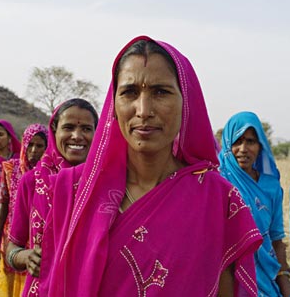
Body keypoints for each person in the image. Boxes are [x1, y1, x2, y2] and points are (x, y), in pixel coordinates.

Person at [46, 36, 263, 296]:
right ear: (113, 105)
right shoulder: (75, 190)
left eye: (161, 92)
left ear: (186, 103)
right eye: (129, 92)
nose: (143, 110)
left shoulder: (217, 199)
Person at [6, 98, 99, 296]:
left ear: (97, 134)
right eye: (68, 127)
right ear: (54, 131)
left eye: (86, 129)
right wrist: (26, 257)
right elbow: (12, 248)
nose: (77, 136)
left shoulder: (106, 182)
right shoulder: (32, 181)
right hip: (41, 290)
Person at [219, 111, 290, 296]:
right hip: (226, 283)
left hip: (266, 283)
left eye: (250, 141)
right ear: (227, 144)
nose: (243, 149)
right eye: (237, 141)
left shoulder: (271, 187)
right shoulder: (216, 184)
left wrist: (285, 285)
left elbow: (276, 240)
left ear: (260, 146)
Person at [0, 123, 48, 296]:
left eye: (39, 146)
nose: (33, 150)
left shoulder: (53, 173)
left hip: (37, 247)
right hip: (11, 244)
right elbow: (3, 205)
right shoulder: (10, 168)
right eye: (30, 144)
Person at [0, 120, 21, 296]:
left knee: (8, 265)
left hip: (10, 223)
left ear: (9, 137)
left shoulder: (17, 163)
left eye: (0, 134)